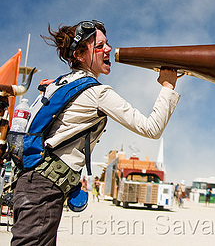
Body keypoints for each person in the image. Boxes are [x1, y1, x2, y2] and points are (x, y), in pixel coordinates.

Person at [11, 20, 180, 246]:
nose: (109, 49)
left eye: (107, 44)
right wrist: (168, 86)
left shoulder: (59, 83)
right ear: (80, 55)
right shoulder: (97, 92)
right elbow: (151, 128)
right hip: (44, 188)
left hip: (31, 183)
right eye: (100, 46)